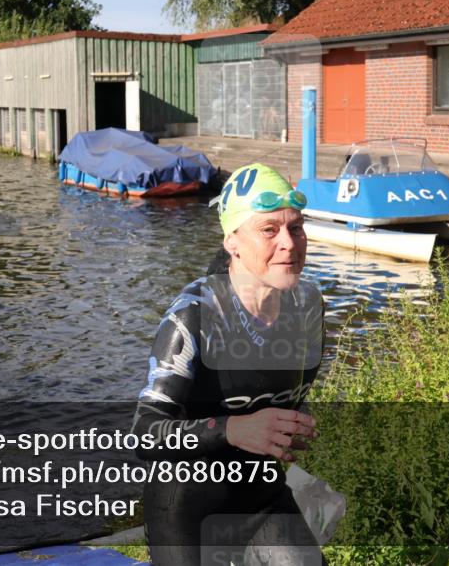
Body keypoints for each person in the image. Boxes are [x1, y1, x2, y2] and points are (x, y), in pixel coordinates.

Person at [132, 163, 326, 566]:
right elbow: (145, 433)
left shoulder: (307, 305)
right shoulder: (195, 317)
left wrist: (289, 427)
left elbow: (283, 397)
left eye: (296, 227)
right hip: (187, 506)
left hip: (262, 494)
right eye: (269, 230)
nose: (289, 243)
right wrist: (234, 428)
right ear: (232, 241)